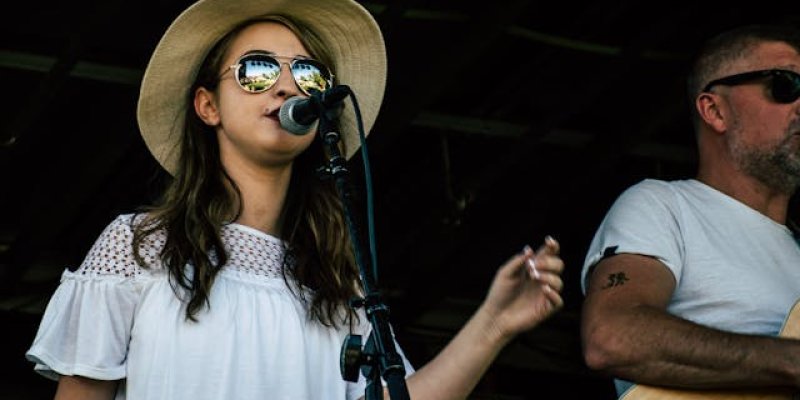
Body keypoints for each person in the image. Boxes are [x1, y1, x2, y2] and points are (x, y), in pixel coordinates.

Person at [24, 0, 566, 399]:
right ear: (207, 105)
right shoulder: (140, 245)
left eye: (308, 74)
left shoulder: (337, 278)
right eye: (257, 70)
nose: (286, 87)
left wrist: (493, 323)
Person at [579, 23, 800, 398]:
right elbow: (611, 334)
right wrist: (790, 362)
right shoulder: (664, 206)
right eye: (785, 85)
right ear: (714, 110)